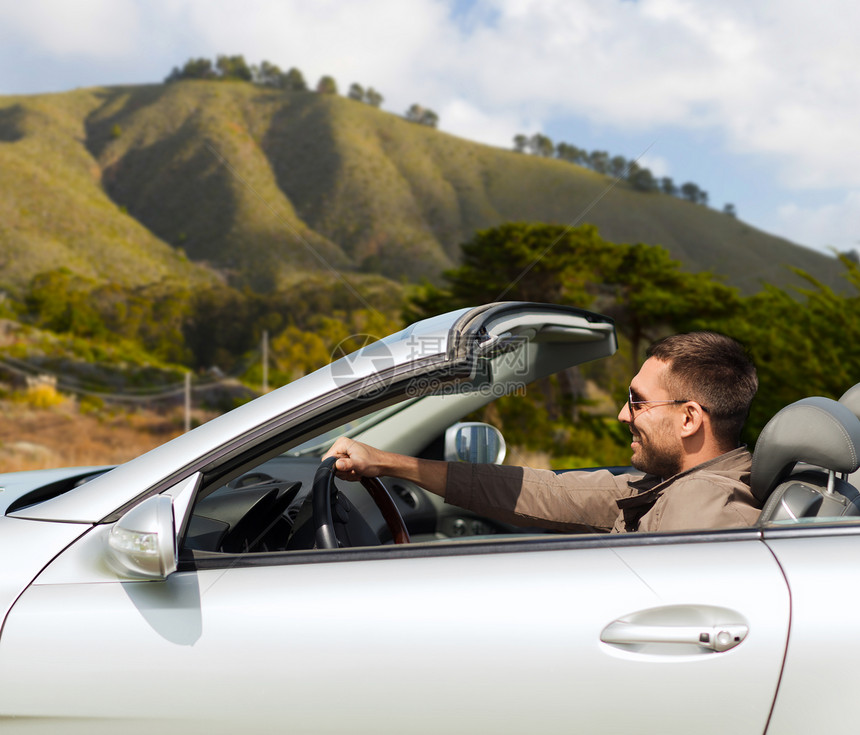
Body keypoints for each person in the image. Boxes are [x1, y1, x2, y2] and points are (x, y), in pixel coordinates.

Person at [324, 331, 761, 534]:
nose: (621, 415)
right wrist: (386, 463)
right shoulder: (668, 486)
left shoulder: (705, 510)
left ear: (688, 419)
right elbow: (546, 491)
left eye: (638, 401)